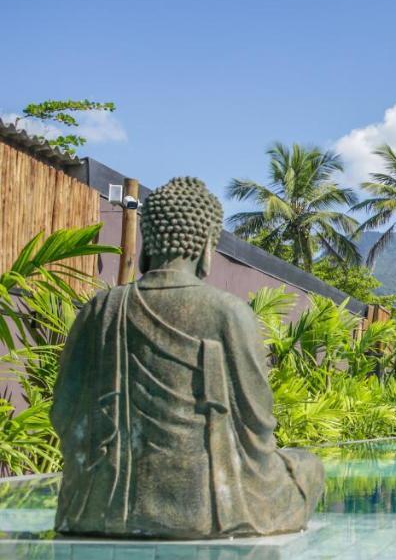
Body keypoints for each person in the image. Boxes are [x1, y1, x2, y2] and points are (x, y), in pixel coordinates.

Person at [52, 177, 324, 539]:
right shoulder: (228, 312)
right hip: (210, 503)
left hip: (103, 503)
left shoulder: (102, 308)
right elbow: (257, 423)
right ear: (206, 245)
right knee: (309, 467)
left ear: (149, 242)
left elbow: (63, 412)